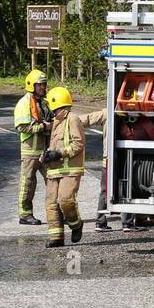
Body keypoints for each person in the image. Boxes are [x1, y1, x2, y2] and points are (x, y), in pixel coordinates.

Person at [41, 86, 85, 248]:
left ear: (55, 103)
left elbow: (78, 144)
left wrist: (59, 154)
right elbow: (53, 145)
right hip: (53, 169)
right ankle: (56, 238)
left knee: (65, 200)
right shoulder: (56, 122)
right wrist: (46, 156)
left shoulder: (72, 119)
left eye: (49, 105)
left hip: (70, 169)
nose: (47, 108)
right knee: (51, 204)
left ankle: (76, 224)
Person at [13, 69, 51, 224]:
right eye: (40, 85)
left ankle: (58, 213)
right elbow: (21, 127)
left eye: (44, 84)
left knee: (53, 180)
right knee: (28, 183)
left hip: (45, 150)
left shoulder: (45, 102)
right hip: (30, 151)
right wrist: (43, 127)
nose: (43, 87)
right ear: (32, 85)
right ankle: (25, 215)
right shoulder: (23, 103)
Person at [79, 107, 109, 229]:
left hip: (108, 158)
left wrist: (66, 122)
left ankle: (100, 221)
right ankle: (127, 222)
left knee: (105, 190)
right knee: (126, 188)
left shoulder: (107, 112)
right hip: (125, 157)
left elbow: (87, 119)